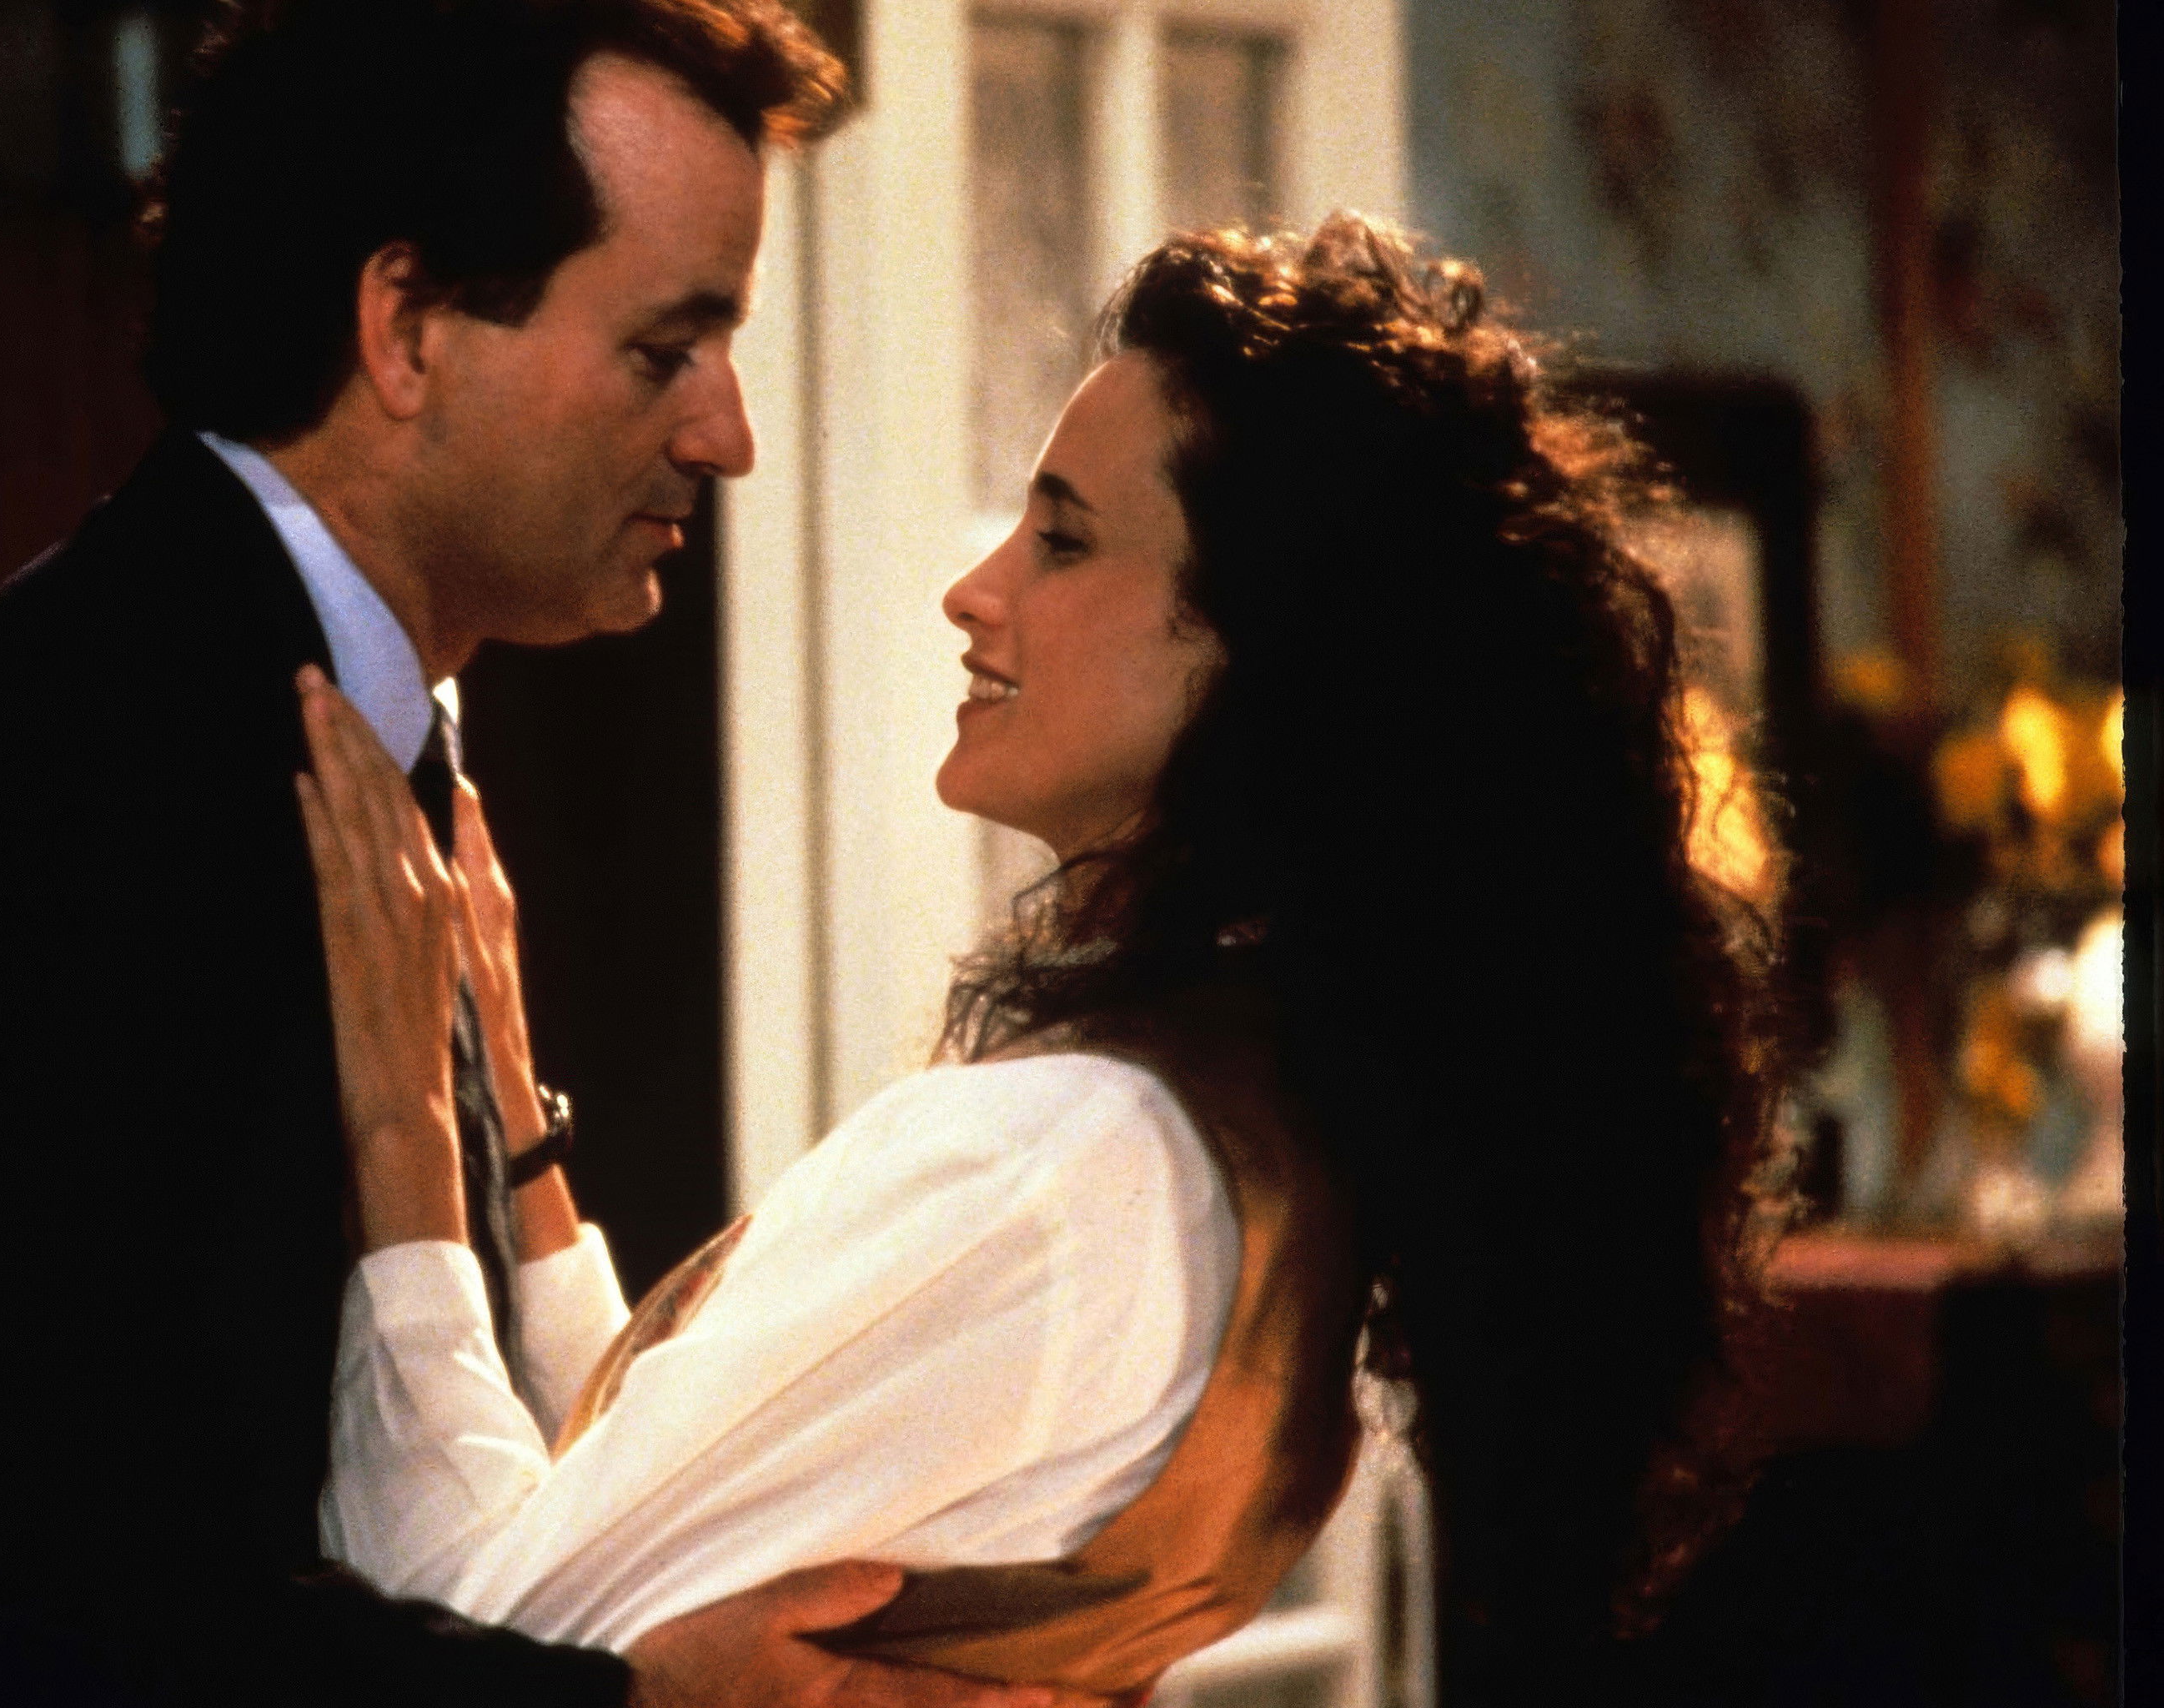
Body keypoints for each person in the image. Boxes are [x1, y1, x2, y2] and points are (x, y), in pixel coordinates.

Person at [0, 0, 1072, 1706]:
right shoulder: (100, 775)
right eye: (665, 348)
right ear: (403, 326)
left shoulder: (302, 722)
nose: (729, 435)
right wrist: (636, 1703)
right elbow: (55, 1594)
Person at [290, 214, 1794, 1703]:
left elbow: (480, 1653)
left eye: (1065, 540)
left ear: (1270, 661)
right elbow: (663, 1508)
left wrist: (405, 1139)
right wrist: (522, 1144)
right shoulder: (1260, 1150)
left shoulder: (1060, 1167)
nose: (978, 589)